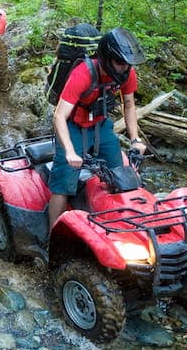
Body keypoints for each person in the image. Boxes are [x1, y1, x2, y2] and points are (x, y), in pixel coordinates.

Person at [48, 27, 148, 228]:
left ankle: (119, 227)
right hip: (73, 126)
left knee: (120, 175)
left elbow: (129, 105)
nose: (125, 68)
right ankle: (53, 236)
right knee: (63, 185)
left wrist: (135, 139)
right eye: (120, 63)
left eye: (128, 64)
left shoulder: (127, 73)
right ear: (107, 58)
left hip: (100, 125)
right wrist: (69, 152)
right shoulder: (83, 73)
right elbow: (59, 115)